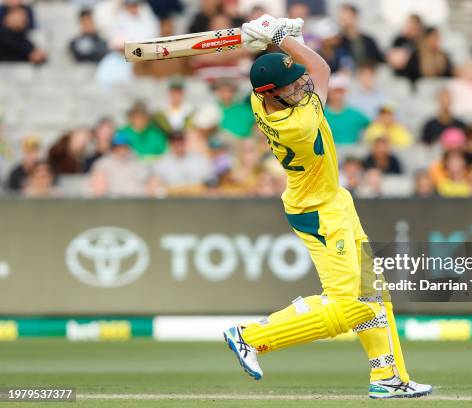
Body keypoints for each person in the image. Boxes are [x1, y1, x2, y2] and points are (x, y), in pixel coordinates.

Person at [223, 14, 433, 399]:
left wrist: (282, 40)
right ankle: (250, 337)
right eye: (292, 85)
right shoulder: (299, 121)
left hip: (334, 200)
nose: (302, 85)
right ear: (273, 94)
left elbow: (300, 67)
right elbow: (321, 66)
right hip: (316, 210)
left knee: (373, 293)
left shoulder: (260, 98)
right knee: (350, 306)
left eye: (298, 80)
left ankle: (386, 377)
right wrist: (279, 36)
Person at [89, 132, 150, 197]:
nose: (121, 150)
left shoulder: (137, 163)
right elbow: (97, 187)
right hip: (112, 202)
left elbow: (149, 182)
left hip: (136, 201)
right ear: (113, 147)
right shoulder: (103, 164)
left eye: (124, 147)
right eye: (118, 147)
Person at [152, 131, 213, 196]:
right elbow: (155, 186)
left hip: (198, 199)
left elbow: (210, 181)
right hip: (172, 200)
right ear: (169, 143)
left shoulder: (200, 159)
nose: (178, 144)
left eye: (181, 140)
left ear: (186, 141)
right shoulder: (161, 162)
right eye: (175, 141)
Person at [323, 74, 370, 145]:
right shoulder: (321, 114)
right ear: (328, 92)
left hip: (353, 153)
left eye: (341, 91)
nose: (338, 95)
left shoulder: (355, 114)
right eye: (335, 91)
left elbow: (372, 126)